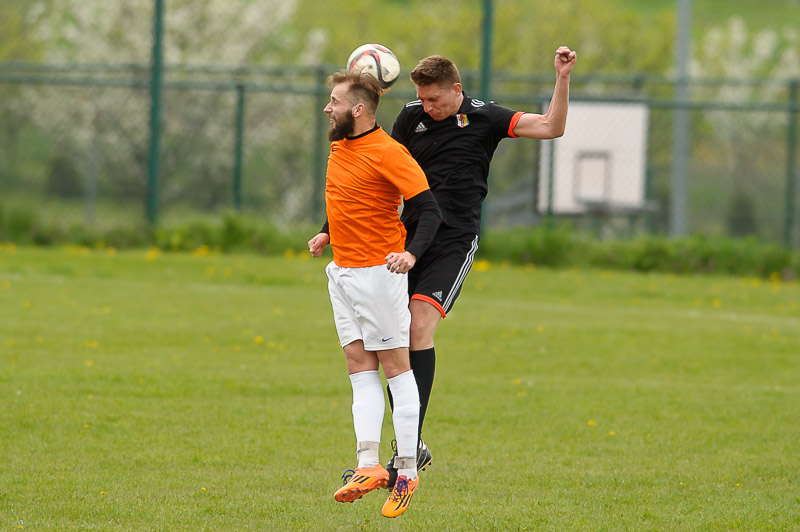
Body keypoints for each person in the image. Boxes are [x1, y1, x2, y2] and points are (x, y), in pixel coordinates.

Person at [384, 46, 578, 486]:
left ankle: (407, 445)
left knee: (418, 326)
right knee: (392, 338)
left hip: (454, 241)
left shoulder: (486, 117)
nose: (426, 107)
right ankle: (410, 443)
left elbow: (551, 127)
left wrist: (562, 77)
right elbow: (387, 170)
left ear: (456, 89)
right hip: (408, 239)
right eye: (421, 98)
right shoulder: (410, 117)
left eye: (434, 99)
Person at [307, 70, 442, 518]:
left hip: (377, 275)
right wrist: (327, 232)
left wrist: (411, 254)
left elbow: (429, 210)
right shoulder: (340, 147)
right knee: (357, 364)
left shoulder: (389, 151)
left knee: (396, 369)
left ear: (359, 110)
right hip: (342, 272)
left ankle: (407, 472)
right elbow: (346, 198)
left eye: (334, 102)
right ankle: (367, 465)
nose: (327, 108)